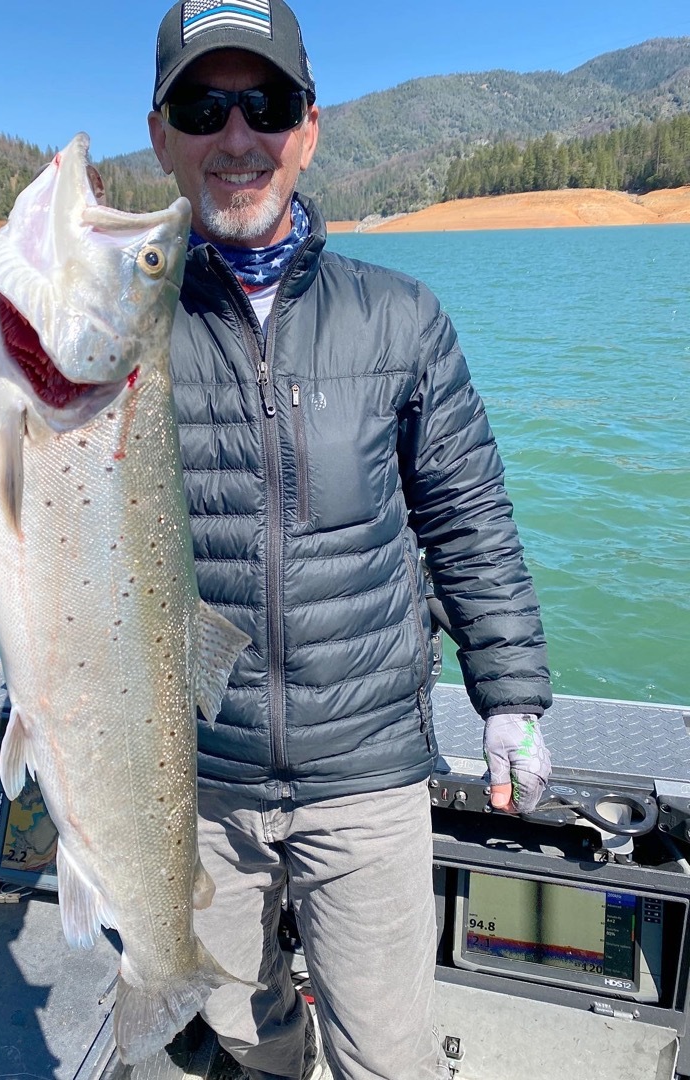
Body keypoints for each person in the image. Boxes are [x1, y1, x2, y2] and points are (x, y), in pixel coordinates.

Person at [147, 2, 553, 1077]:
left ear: (309, 128)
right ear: (162, 135)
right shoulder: (122, 331)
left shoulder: (401, 317)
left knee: (388, 1056)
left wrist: (509, 696)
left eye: (265, 105)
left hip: (369, 777)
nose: (237, 136)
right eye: (204, 106)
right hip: (198, 780)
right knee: (235, 1036)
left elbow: (467, 515)